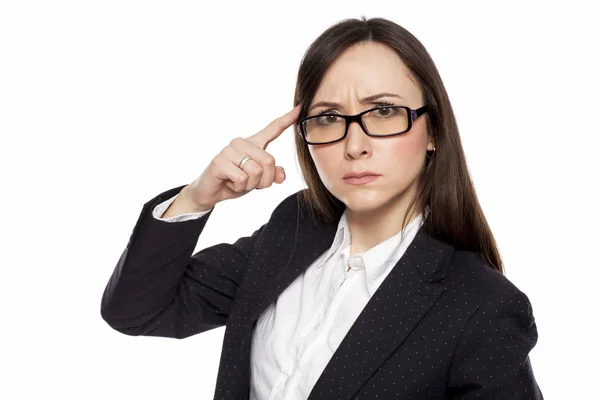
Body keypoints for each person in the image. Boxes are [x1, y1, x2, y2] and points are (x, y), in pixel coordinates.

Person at [100, 16, 543, 400]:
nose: (354, 145)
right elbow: (136, 310)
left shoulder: (482, 305)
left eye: (384, 111)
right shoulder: (292, 230)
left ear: (433, 132)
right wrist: (198, 197)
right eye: (329, 118)